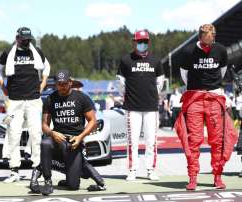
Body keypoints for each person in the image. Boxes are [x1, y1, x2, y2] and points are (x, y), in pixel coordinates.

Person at [175, 24, 238, 190]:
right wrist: (197, 87)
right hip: (195, 97)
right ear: (200, 37)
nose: (209, 46)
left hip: (215, 98)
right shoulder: (188, 52)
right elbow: (184, 75)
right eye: (206, 43)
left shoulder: (221, 50)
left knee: (218, 140)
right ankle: (193, 177)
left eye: (212, 42)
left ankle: (217, 176)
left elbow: (222, 71)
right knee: (193, 140)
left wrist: (212, 87)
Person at [0, 27, 50, 190]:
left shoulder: (36, 51)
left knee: (35, 134)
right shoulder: (8, 53)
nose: (26, 42)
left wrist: (44, 82)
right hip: (14, 100)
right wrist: (1, 84)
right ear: (17, 38)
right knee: (13, 134)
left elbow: (47, 67)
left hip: (33, 99)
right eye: (23, 40)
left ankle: (37, 169)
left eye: (28, 40)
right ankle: (14, 171)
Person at [40, 69, 105, 195]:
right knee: (45, 143)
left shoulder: (81, 98)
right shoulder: (50, 99)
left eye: (64, 83)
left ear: (70, 82)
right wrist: (52, 133)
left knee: (73, 186)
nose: (62, 87)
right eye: (59, 84)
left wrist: (81, 137)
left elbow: (93, 121)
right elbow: (44, 125)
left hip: (74, 142)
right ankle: (47, 181)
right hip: (57, 139)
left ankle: (73, 174)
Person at [116, 30, 164, 181]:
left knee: (151, 140)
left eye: (145, 41)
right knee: (133, 141)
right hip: (132, 107)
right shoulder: (126, 60)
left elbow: (160, 83)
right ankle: (132, 170)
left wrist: (150, 96)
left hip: (151, 107)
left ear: (148, 42)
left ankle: (151, 169)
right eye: (139, 41)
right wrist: (130, 95)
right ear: (134, 42)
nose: (142, 44)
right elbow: (121, 84)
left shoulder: (156, 61)